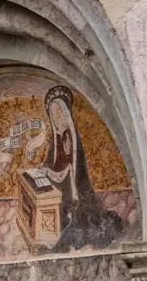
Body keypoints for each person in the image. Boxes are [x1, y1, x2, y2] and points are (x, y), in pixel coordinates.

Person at [25, 85, 125, 252]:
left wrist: (51, 173)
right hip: (60, 185)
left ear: (67, 113)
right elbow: (51, 163)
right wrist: (42, 170)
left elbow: (73, 171)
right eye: (52, 113)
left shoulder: (72, 138)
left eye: (59, 112)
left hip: (74, 190)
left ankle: (57, 240)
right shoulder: (56, 140)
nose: (56, 117)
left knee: (65, 215)